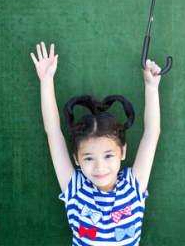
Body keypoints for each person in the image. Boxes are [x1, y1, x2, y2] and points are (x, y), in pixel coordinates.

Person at [31, 42, 162, 245]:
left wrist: (151, 88)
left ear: (122, 152)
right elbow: (53, 133)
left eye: (108, 155)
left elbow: (151, 134)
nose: (99, 166)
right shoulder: (75, 189)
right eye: (89, 158)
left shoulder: (133, 186)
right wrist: (46, 81)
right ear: (76, 159)